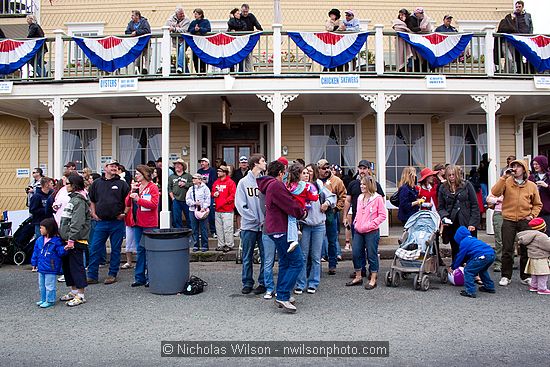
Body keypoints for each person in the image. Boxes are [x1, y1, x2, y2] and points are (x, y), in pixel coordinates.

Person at [257, 160, 306, 313]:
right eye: (284, 172)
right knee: (298, 261)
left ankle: (281, 292)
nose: (285, 174)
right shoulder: (276, 185)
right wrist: (302, 212)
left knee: (285, 261)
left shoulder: (268, 184)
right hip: (280, 229)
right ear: (280, 173)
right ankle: (283, 295)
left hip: (274, 228)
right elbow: (289, 204)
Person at [492, 159, 542, 286]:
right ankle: (505, 276)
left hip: (525, 220)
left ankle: (525, 276)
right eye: (513, 166)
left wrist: (532, 216)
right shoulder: (507, 182)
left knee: (526, 249)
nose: (515, 168)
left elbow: (537, 204)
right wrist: (503, 177)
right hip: (508, 219)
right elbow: (495, 192)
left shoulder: (532, 185)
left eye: (518, 166)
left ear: (524, 169)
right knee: (507, 249)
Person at [86, 160, 130, 285]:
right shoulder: (96, 183)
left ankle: (112, 274)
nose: (114, 168)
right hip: (100, 222)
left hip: (117, 222)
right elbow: (92, 201)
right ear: (105, 168)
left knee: (116, 249)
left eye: (116, 166)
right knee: (95, 248)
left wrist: (125, 214)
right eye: (112, 166)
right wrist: (93, 213)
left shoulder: (122, 184)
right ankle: (92, 275)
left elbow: (128, 201)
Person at [295, 164, 335, 295]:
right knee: (303, 256)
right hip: (305, 225)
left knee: (316, 256)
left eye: (309, 172)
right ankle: (300, 283)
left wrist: (326, 204)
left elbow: (332, 197)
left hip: (319, 225)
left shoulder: (318, 186)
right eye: (304, 172)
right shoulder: (296, 188)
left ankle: (313, 283)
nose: (306, 174)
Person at [343, 160, 385, 278]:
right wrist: (345, 216)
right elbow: (347, 200)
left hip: (371, 225)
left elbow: (381, 206)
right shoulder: (353, 184)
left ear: (368, 170)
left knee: (371, 252)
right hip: (358, 222)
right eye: (360, 168)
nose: (362, 171)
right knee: (357, 251)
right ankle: (360, 271)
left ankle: (373, 273)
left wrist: (374, 223)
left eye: (364, 168)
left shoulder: (376, 185)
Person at [346, 176, 387, 290]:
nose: (362, 186)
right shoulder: (359, 197)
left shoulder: (377, 198)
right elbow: (358, 212)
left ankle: (373, 278)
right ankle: (358, 276)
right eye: (361, 184)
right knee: (356, 253)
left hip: (371, 231)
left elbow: (382, 215)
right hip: (358, 230)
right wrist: (355, 222)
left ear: (370, 185)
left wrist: (372, 224)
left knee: (371, 255)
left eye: (364, 184)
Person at [235, 154, 267, 295]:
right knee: (247, 256)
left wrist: (265, 218)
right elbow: (240, 204)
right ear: (255, 164)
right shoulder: (243, 182)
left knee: (265, 256)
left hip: (264, 226)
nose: (265, 163)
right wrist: (253, 218)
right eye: (263, 161)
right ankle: (247, 282)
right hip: (249, 226)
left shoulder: (265, 181)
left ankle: (263, 282)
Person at [59, 175, 91, 307]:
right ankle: (73, 291)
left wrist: (71, 239)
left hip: (76, 240)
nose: (65, 186)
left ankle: (81, 295)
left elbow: (77, 222)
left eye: (67, 184)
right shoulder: (72, 200)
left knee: (76, 267)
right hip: (67, 239)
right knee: (68, 267)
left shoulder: (79, 201)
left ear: (74, 185)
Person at [438, 165, 480, 263]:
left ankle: (472, 273)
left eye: (453, 175)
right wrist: (444, 217)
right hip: (452, 222)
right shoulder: (443, 188)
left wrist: (473, 223)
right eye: (449, 175)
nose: (451, 177)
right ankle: (458, 273)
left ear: (457, 174)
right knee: (455, 249)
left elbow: (474, 205)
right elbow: (440, 207)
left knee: (470, 248)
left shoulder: (467, 185)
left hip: (467, 221)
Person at [130, 165, 159, 288]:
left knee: (149, 251)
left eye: (138, 173)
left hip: (149, 223)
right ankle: (139, 277)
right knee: (140, 250)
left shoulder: (153, 187)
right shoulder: (137, 187)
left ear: (144, 174)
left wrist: (138, 199)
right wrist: (132, 192)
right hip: (137, 222)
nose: (136, 175)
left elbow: (154, 204)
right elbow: (127, 202)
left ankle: (150, 277)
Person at [317, 159, 347, 275]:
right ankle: (317, 265)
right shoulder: (316, 181)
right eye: (323, 168)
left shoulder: (336, 181)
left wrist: (336, 209)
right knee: (317, 240)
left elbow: (343, 196)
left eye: (328, 167)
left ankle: (332, 264)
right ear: (318, 169)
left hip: (331, 213)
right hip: (318, 213)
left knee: (332, 240)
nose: (326, 170)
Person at [451, 226, 496, 298]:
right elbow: (473, 253)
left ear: (458, 236)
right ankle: (489, 286)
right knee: (482, 270)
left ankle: (470, 291)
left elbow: (460, 256)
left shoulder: (464, 242)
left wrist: (454, 267)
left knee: (468, 271)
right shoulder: (473, 239)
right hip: (491, 254)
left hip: (481, 256)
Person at [31, 218, 65, 308]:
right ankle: (43, 299)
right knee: (41, 285)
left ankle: (50, 300)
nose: (40, 230)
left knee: (49, 285)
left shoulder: (56, 241)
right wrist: (34, 262)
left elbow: (60, 252)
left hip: (51, 267)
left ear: (49, 229)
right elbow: (36, 252)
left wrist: (65, 249)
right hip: (41, 267)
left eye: (42, 228)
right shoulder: (39, 240)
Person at [286, 163, 319, 253]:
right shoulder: (307, 186)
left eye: (307, 173)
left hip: (291, 208)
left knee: (291, 220)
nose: (306, 175)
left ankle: (293, 238)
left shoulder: (288, 186)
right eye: (303, 173)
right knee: (293, 221)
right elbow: (315, 197)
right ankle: (295, 235)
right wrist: (308, 198)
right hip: (301, 208)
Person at [517, 218, 550, 295]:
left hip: (532, 257)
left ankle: (534, 286)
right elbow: (548, 246)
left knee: (534, 273)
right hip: (541, 257)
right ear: (543, 227)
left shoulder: (529, 235)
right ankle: (542, 288)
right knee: (543, 273)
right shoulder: (541, 236)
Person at [212, 165, 236, 252]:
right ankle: (221, 244)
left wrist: (224, 202)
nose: (218, 172)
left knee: (228, 228)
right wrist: (214, 194)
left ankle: (229, 244)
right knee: (219, 229)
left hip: (227, 209)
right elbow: (213, 191)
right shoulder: (216, 182)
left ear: (224, 172)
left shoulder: (230, 182)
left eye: (219, 171)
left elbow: (233, 195)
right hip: (218, 209)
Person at [186, 173, 211, 252]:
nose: (193, 179)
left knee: (203, 228)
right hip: (193, 210)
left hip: (202, 211)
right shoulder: (191, 189)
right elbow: (187, 199)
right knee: (194, 228)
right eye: (193, 178)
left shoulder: (205, 188)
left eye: (195, 178)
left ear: (199, 179)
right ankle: (195, 245)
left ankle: (205, 245)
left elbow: (208, 199)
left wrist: (204, 207)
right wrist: (193, 203)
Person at [124, 10, 151, 74]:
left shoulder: (144, 22)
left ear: (137, 16)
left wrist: (136, 32)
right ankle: (141, 72)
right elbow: (127, 32)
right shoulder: (131, 23)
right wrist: (132, 33)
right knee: (138, 61)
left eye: (133, 15)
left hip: (145, 44)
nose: (131, 17)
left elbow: (147, 30)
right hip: (137, 45)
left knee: (147, 58)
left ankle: (146, 71)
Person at [528, 155, 550, 234]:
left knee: (547, 233)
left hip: (547, 211)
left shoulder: (548, 177)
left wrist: (546, 186)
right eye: (533, 164)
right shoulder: (531, 178)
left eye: (537, 164)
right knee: (535, 234)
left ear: (543, 164)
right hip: (534, 211)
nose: (535, 166)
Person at [166, 6, 191, 74]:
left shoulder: (187, 20)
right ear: (176, 14)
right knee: (180, 55)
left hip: (185, 39)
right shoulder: (171, 19)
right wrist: (176, 27)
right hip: (176, 40)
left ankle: (179, 66)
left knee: (181, 50)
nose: (183, 15)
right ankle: (186, 72)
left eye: (183, 13)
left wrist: (174, 29)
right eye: (181, 14)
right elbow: (167, 26)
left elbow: (184, 30)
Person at [168, 159, 192, 229]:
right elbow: (169, 188)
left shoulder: (188, 176)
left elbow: (192, 185)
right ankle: (179, 233)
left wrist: (185, 184)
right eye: (176, 164)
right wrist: (173, 198)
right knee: (176, 218)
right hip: (176, 200)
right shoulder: (171, 177)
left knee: (189, 217)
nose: (177, 166)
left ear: (183, 166)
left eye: (179, 164)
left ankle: (191, 233)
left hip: (187, 200)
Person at [197, 157, 217, 236]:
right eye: (201, 162)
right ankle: (202, 232)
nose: (201, 163)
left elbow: (213, 182)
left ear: (207, 163)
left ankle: (213, 231)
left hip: (209, 194)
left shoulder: (212, 171)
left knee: (211, 213)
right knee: (200, 213)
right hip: (201, 195)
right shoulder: (199, 171)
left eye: (203, 162)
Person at [240, 3, 263, 72]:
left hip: (249, 40)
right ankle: (241, 71)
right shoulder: (239, 17)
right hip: (240, 40)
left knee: (249, 56)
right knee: (241, 56)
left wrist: (259, 29)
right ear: (241, 10)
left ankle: (249, 71)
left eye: (246, 12)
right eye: (244, 12)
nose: (245, 13)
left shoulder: (251, 16)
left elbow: (257, 25)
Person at [188, 8, 211, 74]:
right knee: (195, 58)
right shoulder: (193, 22)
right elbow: (190, 30)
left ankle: (204, 72)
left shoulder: (206, 21)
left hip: (203, 44)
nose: (195, 15)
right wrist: (195, 29)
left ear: (200, 14)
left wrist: (199, 29)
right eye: (194, 14)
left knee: (204, 58)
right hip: (195, 44)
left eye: (196, 14)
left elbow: (208, 29)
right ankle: (198, 72)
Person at [232, 156, 249, 237]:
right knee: (238, 212)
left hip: (249, 194)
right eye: (242, 163)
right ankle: (239, 229)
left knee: (247, 211)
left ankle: (246, 228)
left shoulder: (250, 172)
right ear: (239, 163)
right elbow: (234, 183)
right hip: (238, 194)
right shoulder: (236, 172)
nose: (243, 164)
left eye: (245, 162)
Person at [486, 193, 504, 272]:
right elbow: (488, 199)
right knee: (499, 239)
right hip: (499, 212)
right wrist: (498, 200)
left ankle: (509, 261)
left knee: (511, 239)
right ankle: (498, 263)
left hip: (512, 213)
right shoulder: (499, 187)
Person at [227, 8, 247, 72]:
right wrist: (232, 19)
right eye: (237, 13)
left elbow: (244, 28)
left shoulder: (242, 21)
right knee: (232, 57)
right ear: (234, 15)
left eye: (239, 13)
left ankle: (240, 72)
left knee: (240, 57)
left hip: (240, 43)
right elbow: (231, 25)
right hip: (232, 44)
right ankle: (232, 72)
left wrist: (236, 30)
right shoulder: (231, 21)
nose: (239, 15)